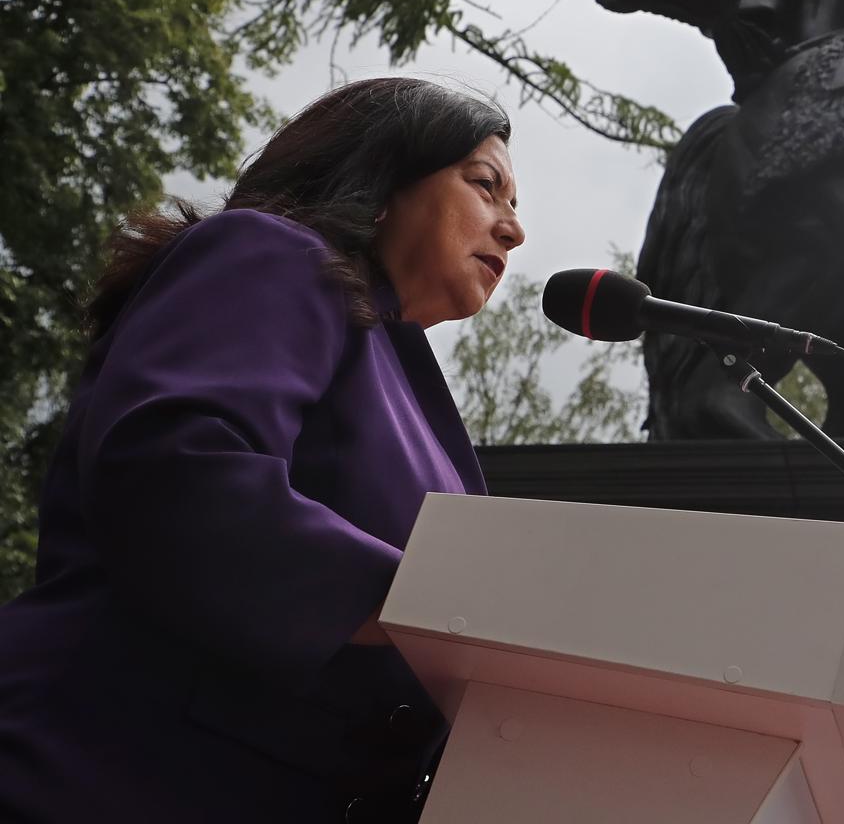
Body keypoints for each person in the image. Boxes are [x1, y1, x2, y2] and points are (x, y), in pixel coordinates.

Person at [0, 77, 524, 823]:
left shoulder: (404, 377)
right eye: (486, 186)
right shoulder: (274, 253)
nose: (511, 229)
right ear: (381, 177)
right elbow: (179, 473)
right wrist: (434, 606)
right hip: (106, 768)